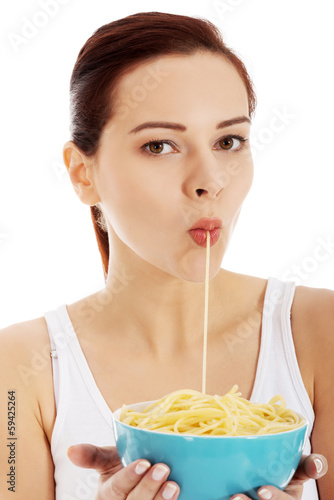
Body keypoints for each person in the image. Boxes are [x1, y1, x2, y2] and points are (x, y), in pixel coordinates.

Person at [0, 10, 332, 500]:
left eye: (228, 141)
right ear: (81, 173)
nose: (210, 181)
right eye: (160, 145)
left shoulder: (320, 331)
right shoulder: (16, 370)